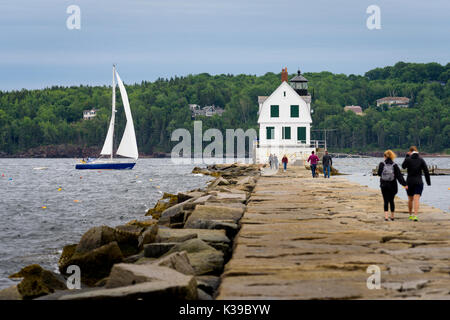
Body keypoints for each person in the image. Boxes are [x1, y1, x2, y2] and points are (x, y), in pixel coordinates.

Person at [402, 146, 431, 222]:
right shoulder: (421, 160)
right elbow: (426, 171)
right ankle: (415, 215)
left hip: (409, 182)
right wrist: (428, 182)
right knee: (416, 199)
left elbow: (403, 166)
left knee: (410, 199)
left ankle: (410, 215)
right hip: (418, 182)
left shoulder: (408, 159)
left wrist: (407, 156)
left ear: (410, 152)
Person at [377, 150, 407, 221]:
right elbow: (399, 176)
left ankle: (386, 217)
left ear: (385, 156)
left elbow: (378, 174)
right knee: (391, 200)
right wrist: (404, 184)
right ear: (392, 156)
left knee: (385, 201)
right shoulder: (395, 165)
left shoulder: (382, 164)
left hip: (384, 185)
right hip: (392, 185)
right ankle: (392, 216)